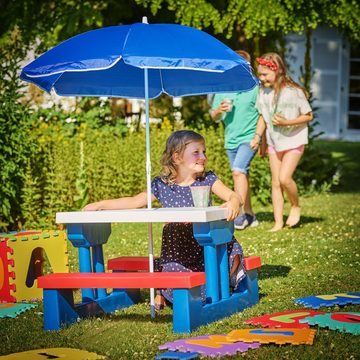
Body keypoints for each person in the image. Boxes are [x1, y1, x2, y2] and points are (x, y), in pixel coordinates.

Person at [83, 130, 246, 309]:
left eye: (204, 152)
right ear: (177, 158)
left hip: (205, 240)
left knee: (231, 250)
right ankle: (166, 293)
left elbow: (233, 195)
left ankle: (225, 283)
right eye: (196, 152)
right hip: (177, 246)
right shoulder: (162, 185)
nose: (203, 157)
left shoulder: (207, 179)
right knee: (174, 274)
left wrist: (233, 201)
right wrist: (101, 205)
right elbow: (135, 201)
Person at [250, 52, 313, 232]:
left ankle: (295, 205)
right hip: (273, 142)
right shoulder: (263, 92)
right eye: (259, 74)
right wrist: (257, 137)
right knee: (276, 182)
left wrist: (287, 122)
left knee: (285, 178)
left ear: (277, 71)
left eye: (265, 75)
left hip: (294, 140)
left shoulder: (294, 92)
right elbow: (262, 117)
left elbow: (308, 115)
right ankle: (278, 222)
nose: (261, 78)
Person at [210, 50, 260, 230]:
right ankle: (250, 215)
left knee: (238, 171)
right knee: (241, 175)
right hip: (230, 139)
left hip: (249, 137)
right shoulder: (223, 88)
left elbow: (264, 114)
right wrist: (218, 111)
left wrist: (259, 137)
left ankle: (238, 214)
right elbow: (213, 116)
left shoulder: (255, 87)